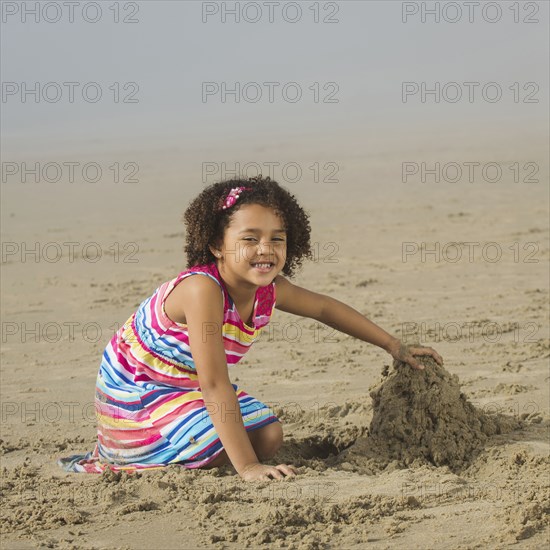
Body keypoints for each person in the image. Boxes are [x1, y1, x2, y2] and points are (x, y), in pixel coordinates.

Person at [58, 175, 443, 481]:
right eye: (249, 239)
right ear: (215, 245)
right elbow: (213, 383)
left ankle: (196, 445)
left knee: (269, 436)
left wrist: (393, 344)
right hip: (138, 395)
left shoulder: (269, 290)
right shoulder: (201, 291)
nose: (266, 249)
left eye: (277, 239)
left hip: (183, 387)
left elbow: (325, 308)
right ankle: (140, 454)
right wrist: (248, 468)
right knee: (231, 446)